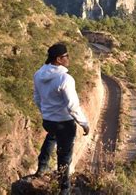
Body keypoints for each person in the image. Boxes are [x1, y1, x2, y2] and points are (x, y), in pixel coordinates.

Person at [33, 43, 90, 194]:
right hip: (64, 123)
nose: (68, 59)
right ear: (58, 59)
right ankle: (64, 189)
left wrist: (45, 113)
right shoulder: (65, 78)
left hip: (49, 121)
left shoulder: (38, 74)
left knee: (51, 136)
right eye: (66, 56)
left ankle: (42, 167)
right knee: (65, 155)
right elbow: (72, 106)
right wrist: (84, 123)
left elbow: (37, 98)